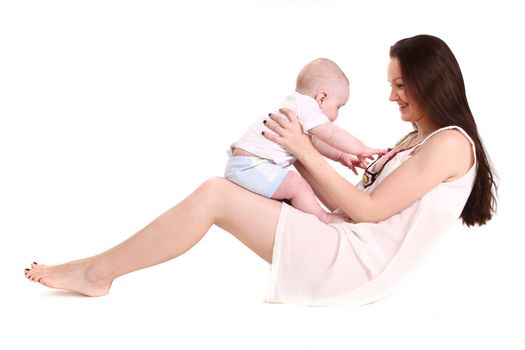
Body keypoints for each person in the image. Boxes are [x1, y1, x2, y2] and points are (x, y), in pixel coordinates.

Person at [24, 34, 497, 306]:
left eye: (399, 84)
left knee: (215, 194)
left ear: (428, 80)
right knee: (218, 191)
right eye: (391, 85)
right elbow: (341, 203)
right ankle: (95, 271)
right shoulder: (416, 142)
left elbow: (369, 212)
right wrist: (298, 150)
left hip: (355, 264)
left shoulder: (451, 144)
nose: (392, 96)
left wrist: (306, 150)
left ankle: (95, 273)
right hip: (345, 244)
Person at [226, 58, 384, 223]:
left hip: (246, 166)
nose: (337, 115)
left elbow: (314, 141)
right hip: (250, 167)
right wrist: (360, 149)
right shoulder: (307, 106)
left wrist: (341, 155)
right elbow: (331, 134)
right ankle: (323, 217)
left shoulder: (298, 106)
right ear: (322, 98)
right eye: (338, 107)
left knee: (289, 189)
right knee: (295, 183)